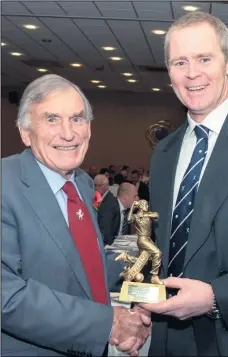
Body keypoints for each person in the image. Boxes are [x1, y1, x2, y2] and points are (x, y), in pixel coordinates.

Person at [2, 74, 151, 357]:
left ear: (89, 128)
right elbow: (6, 295)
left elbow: (81, 265)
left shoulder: (80, 183)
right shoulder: (5, 184)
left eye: (77, 119)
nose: (68, 133)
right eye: (51, 119)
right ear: (24, 132)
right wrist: (108, 324)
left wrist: (144, 269)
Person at [139, 11, 228, 357]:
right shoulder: (164, 152)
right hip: (167, 337)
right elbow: (163, 245)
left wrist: (216, 297)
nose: (192, 73)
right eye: (180, 62)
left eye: (204, 58)